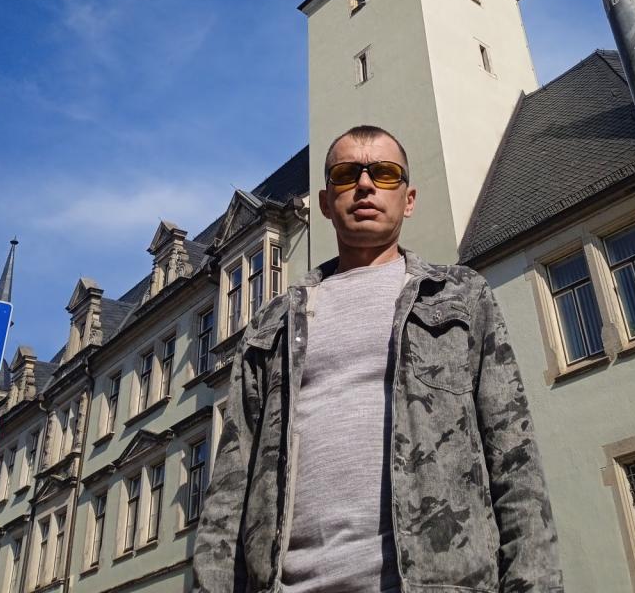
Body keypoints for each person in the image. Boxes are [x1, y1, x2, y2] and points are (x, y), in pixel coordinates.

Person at [192, 124, 563, 593]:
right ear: (325, 203)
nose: (365, 184)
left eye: (385, 173)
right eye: (346, 174)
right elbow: (229, 489)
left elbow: (514, 456)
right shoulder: (273, 323)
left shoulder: (462, 297)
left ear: (409, 199)